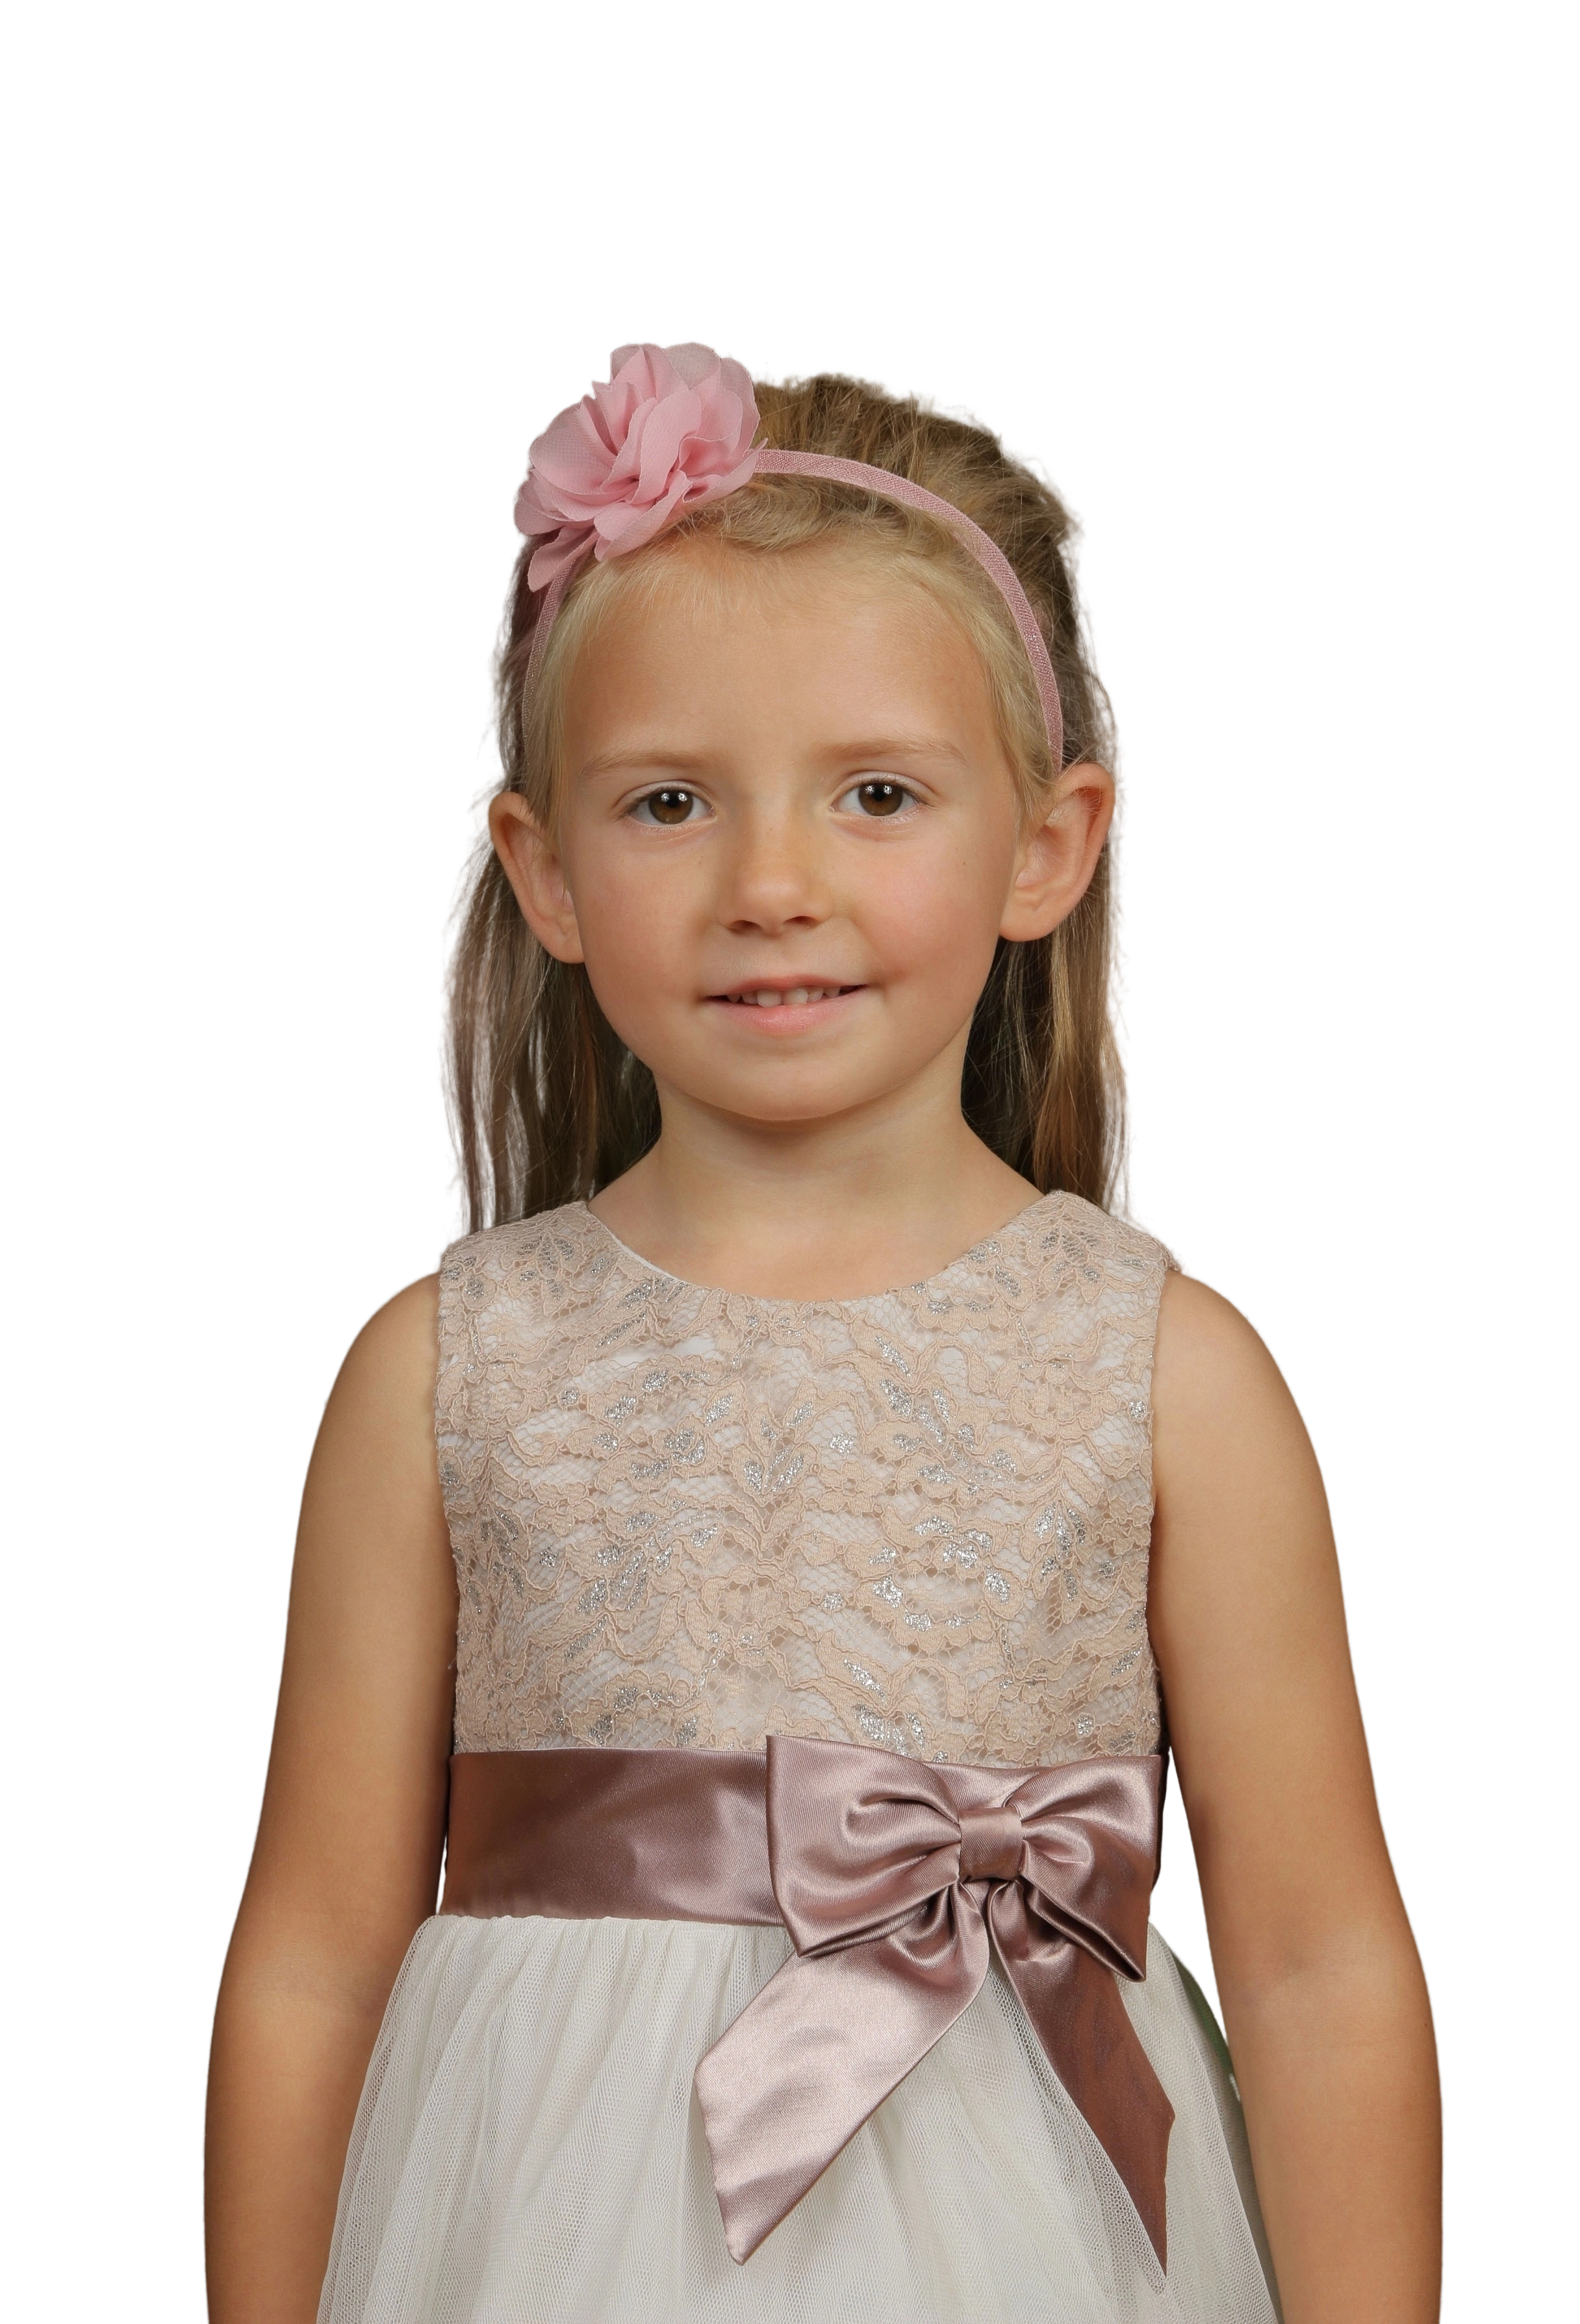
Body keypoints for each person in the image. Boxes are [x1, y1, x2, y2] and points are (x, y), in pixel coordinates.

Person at [201, 342, 1445, 2323]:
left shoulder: (1167, 1369)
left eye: (876, 794)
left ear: (1046, 844)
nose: (773, 884)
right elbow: (314, 1960)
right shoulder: (446, 1372)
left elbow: (1315, 1962)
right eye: (670, 801)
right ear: (545, 872)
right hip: (534, 2248)